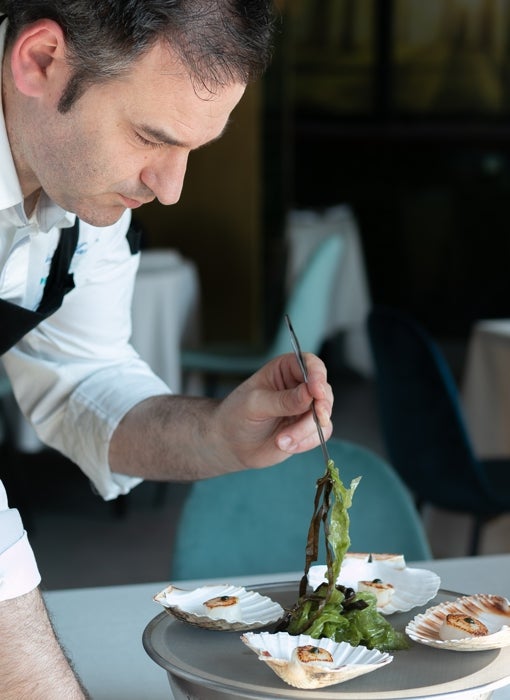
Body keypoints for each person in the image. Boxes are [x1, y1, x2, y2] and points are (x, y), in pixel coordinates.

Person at [0, 0, 333, 697]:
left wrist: (218, 434)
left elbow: (80, 381)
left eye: (191, 150)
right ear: (40, 61)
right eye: (150, 137)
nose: (170, 188)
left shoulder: (75, 192)